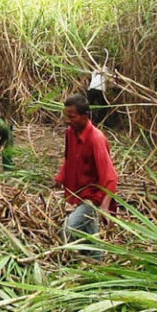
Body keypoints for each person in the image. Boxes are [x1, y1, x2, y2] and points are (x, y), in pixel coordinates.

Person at [54, 94, 118, 258]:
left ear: (85, 116)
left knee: (69, 229)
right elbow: (69, 159)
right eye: (66, 116)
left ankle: (82, 258)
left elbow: (110, 176)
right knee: (89, 230)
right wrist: (61, 178)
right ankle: (97, 261)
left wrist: (104, 207)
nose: (68, 120)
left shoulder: (96, 139)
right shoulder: (70, 132)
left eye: (72, 117)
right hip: (78, 193)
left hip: (92, 196)